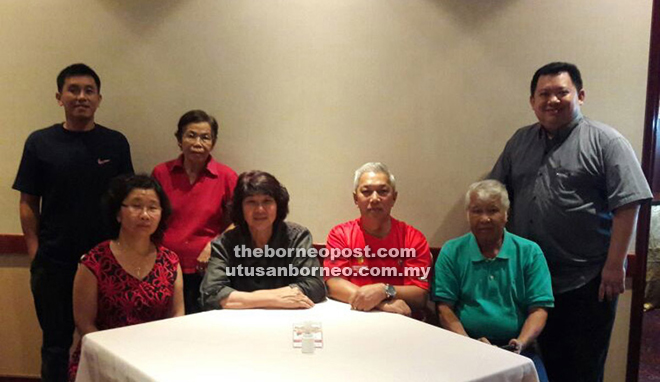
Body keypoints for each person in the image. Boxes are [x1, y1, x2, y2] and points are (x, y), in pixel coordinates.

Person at [489, 62, 652, 381]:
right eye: (543, 93)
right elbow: (496, 193)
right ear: (532, 101)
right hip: (528, 282)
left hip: (585, 284)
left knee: (581, 370)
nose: (552, 100)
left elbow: (629, 203)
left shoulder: (607, 141)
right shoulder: (519, 142)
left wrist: (614, 265)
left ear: (580, 95)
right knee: (528, 367)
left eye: (561, 92)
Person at [12, 63, 133, 382]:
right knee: (55, 346)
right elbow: (28, 201)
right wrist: (35, 250)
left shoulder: (116, 143)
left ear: (99, 98)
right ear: (59, 97)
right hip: (54, 263)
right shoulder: (40, 142)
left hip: (107, 262)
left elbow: (128, 201)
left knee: (109, 342)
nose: (81, 96)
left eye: (88, 90)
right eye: (73, 90)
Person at [433, 180, 553, 381]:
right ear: (468, 215)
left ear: (507, 214)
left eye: (493, 210)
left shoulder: (530, 252)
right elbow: (444, 309)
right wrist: (469, 344)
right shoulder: (452, 251)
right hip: (465, 347)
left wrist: (521, 342)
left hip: (519, 350)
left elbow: (539, 309)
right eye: (477, 211)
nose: (484, 218)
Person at [68, 174, 184, 381]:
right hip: (104, 360)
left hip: (156, 358)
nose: (145, 215)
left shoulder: (170, 261)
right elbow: (85, 324)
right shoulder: (94, 261)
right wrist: (115, 359)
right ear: (118, 213)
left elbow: (177, 315)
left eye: (153, 207)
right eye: (136, 206)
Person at [200, 171, 326, 310]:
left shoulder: (297, 237)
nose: (260, 209)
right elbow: (211, 294)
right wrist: (272, 298)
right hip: (239, 322)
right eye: (251, 202)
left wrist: (244, 299)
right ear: (240, 208)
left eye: (267, 201)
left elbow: (315, 286)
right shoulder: (225, 243)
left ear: (278, 205)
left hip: (287, 318)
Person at [152, 110, 237, 314]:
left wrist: (215, 244)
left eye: (205, 137)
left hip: (206, 270)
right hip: (164, 266)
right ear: (179, 140)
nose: (197, 143)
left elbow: (242, 220)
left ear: (213, 143)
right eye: (191, 135)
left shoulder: (226, 176)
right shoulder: (161, 173)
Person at [324, 162, 432, 317]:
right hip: (353, 316)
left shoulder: (413, 238)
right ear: (356, 198)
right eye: (366, 192)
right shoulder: (340, 234)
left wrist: (384, 290)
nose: (374, 199)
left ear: (394, 198)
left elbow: (419, 294)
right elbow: (334, 284)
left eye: (383, 192)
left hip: (400, 320)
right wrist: (381, 302)